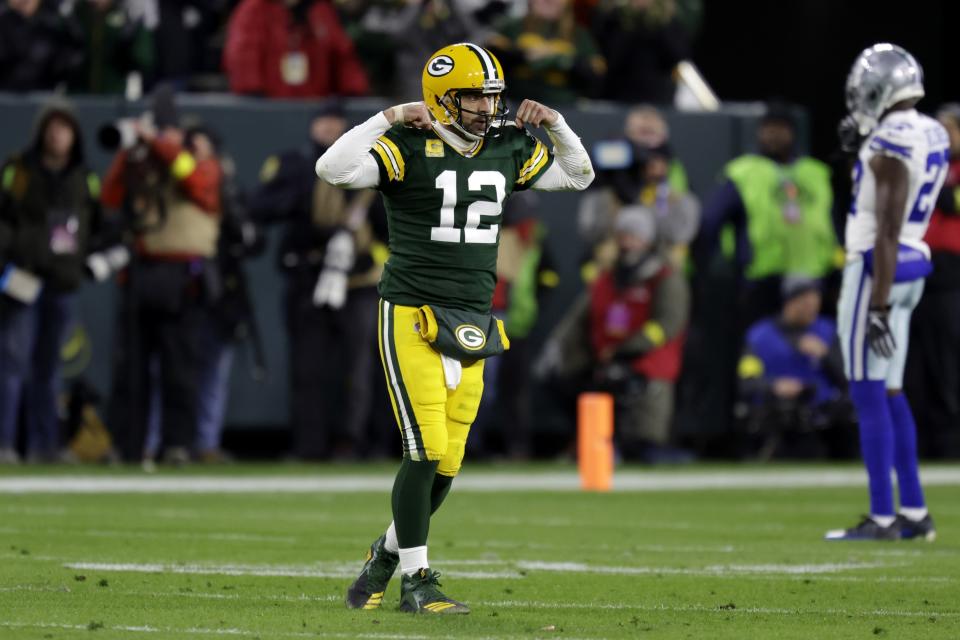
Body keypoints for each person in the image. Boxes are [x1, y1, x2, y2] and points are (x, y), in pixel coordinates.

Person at [316, 42, 594, 612]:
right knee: (424, 450)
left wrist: (559, 124)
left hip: (473, 314)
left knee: (448, 461)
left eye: (492, 96)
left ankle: (385, 556)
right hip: (412, 312)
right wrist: (387, 116)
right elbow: (333, 168)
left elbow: (578, 175)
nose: (487, 108)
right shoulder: (407, 145)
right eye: (474, 96)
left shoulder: (508, 145)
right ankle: (417, 582)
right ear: (441, 98)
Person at [826, 44, 948, 542]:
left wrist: (874, 305)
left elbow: (887, 227)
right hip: (911, 266)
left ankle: (881, 518)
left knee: (866, 390)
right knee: (891, 389)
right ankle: (915, 513)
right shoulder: (933, 129)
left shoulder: (891, 140)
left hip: (876, 271)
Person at [250, 102, 387, 460]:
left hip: (357, 281)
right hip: (308, 276)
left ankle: (350, 442)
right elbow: (260, 207)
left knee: (357, 369)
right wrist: (303, 195)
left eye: (337, 124)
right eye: (324, 123)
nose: (330, 129)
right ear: (312, 126)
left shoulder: (367, 169)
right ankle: (309, 444)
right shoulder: (295, 165)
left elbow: (389, 227)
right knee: (307, 367)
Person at [101, 90, 223, 465]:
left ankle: (176, 446)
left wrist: (158, 141)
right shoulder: (145, 163)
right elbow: (109, 197)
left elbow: (197, 183)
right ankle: (128, 446)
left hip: (182, 277)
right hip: (142, 271)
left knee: (179, 369)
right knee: (131, 368)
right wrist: (132, 152)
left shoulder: (199, 162)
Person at [539, 207, 689, 461]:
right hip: (604, 358)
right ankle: (586, 441)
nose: (627, 243)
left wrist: (626, 351)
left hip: (645, 362)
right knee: (564, 378)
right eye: (623, 236)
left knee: (645, 447)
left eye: (634, 236)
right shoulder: (608, 276)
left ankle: (645, 447)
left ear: (648, 240)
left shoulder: (664, 277)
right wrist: (558, 347)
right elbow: (580, 316)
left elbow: (668, 323)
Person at [0, 100, 103, 463]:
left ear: (74, 135)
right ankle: (5, 445)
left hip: (62, 282)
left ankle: (47, 446)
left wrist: (91, 262)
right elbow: (4, 217)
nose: (57, 135)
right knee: (11, 364)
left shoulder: (84, 177)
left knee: (49, 369)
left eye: (65, 128)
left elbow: (99, 225)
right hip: (23, 279)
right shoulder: (20, 170)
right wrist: (9, 259)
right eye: (52, 128)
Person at [738, 277, 851, 459]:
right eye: (805, 301)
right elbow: (746, 381)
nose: (812, 307)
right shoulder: (759, 336)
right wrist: (774, 385)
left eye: (815, 301)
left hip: (823, 413)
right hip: (776, 411)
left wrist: (825, 356)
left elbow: (848, 379)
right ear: (790, 302)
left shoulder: (828, 332)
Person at [905, 103, 960, 457]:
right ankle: (921, 438)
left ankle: (950, 440)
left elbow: (952, 203)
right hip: (917, 267)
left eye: (950, 129)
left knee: (948, 358)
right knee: (916, 359)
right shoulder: (928, 165)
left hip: (953, 273)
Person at [223, 0, 369, 99]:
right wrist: (251, 92)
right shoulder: (255, 8)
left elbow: (342, 54)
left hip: (314, 109)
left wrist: (353, 90)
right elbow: (243, 54)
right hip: (269, 106)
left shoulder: (320, 10)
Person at [486, 0, 605, 104]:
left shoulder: (579, 35)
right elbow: (490, 62)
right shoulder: (511, 28)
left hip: (564, 110)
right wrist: (523, 55)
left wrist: (561, 60)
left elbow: (597, 74)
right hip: (515, 106)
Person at [0, 0, 85, 92]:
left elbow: (74, 52)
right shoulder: (4, 19)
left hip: (45, 93)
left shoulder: (54, 20)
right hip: (6, 93)